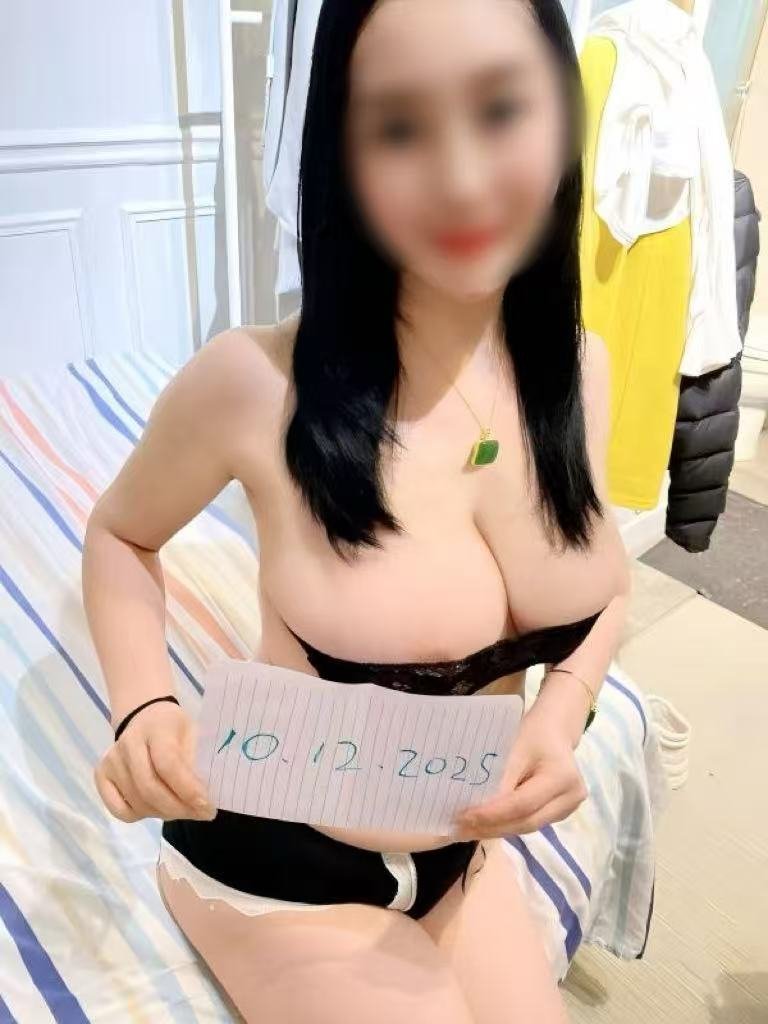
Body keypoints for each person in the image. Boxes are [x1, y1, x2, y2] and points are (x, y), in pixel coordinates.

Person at [82, 1, 631, 1021]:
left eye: (501, 109)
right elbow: (120, 532)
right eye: (399, 128)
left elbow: (604, 587)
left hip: (462, 854)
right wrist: (143, 705)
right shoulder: (252, 383)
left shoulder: (579, 372)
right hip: (277, 861)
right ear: (341, 150)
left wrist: (563, 715)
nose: (461, 179)